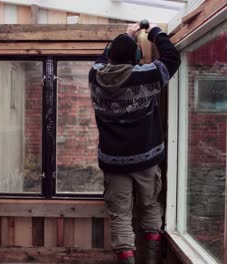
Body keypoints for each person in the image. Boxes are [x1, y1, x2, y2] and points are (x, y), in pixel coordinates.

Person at [88, 23, 180, 264]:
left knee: (120, 216)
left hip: (113, 162)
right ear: (137, 56)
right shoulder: (147, 76)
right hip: (147, 160)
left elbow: (102, 58)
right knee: (150, 207)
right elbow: (172, 57)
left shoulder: (95, 77)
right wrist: (155, 33)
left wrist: (124, 37)